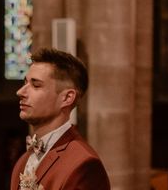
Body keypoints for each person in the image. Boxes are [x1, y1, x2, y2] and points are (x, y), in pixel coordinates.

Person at [10, 48, 110, 190]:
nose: (20, 92)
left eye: (36, 85)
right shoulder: (23, 161)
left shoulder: (83, 164)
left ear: (67, 98)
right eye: (24, 83)